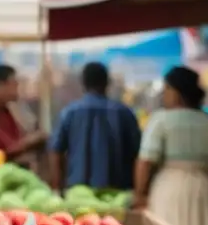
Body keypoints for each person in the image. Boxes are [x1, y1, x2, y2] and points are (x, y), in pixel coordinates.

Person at [133, 66, 208, 225]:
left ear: (177, 92)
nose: (164, 94)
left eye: (167, 89)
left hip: (168, 190)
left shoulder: (160, 120)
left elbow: (145, 161)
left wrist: (140, 194)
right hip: (203, 192)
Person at [49, 62, 142, 192]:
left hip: (78, 192)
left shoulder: (70, 113)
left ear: (83, 83)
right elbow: (139, 154)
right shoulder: (124, 113)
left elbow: (55, 151)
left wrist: (57, 188)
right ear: (107, 83)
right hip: (117, 193)